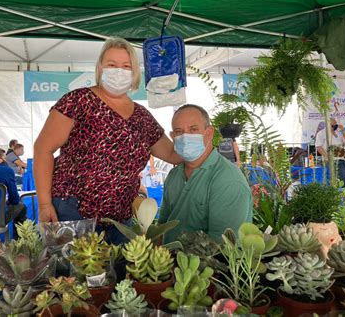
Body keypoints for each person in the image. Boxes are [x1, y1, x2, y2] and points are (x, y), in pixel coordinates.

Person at [34, 37, 182, 245]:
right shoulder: (78, 101)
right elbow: (43, 149)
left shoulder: (142, 116)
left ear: (134, 72)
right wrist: (44, 204)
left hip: (120, 222)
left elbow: (171, 153)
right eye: (112, 65)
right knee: (74, 275)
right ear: (100, 67)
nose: (118, 71)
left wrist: (191, 135)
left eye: (126, 66)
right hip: (73, 212)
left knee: (118, 275)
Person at [158, 104, 253, 244]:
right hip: (167, 261)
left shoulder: (228, 180)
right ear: (172, 137)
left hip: (210, 263)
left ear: (209, 133)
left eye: (193, 129)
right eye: (179, 131)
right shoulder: (174, 175)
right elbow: (163, 226)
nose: (185, 137)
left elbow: (221, 246)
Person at [315, 118, 345, 186]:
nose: (335, 126)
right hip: (329, 160)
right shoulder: (321, 133)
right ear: (328, 125)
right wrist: (327, 157)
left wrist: (343, 130)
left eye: (335, 125)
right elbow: (318, 147)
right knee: (331, 177)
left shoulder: (338, 132)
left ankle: (344, 191)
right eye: (333, 125)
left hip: (340, 159)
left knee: (343, 177)